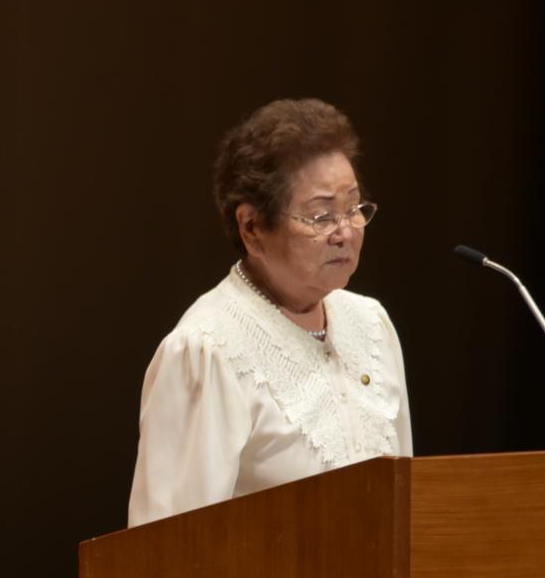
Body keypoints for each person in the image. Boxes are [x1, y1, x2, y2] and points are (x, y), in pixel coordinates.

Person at [127, 98, 412, 525]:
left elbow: (406, 505)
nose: (346, 232)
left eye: (353, 208)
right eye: (321, 216)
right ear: (252, 227)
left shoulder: (371, 324)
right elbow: (166, 552)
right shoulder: (208, 351)